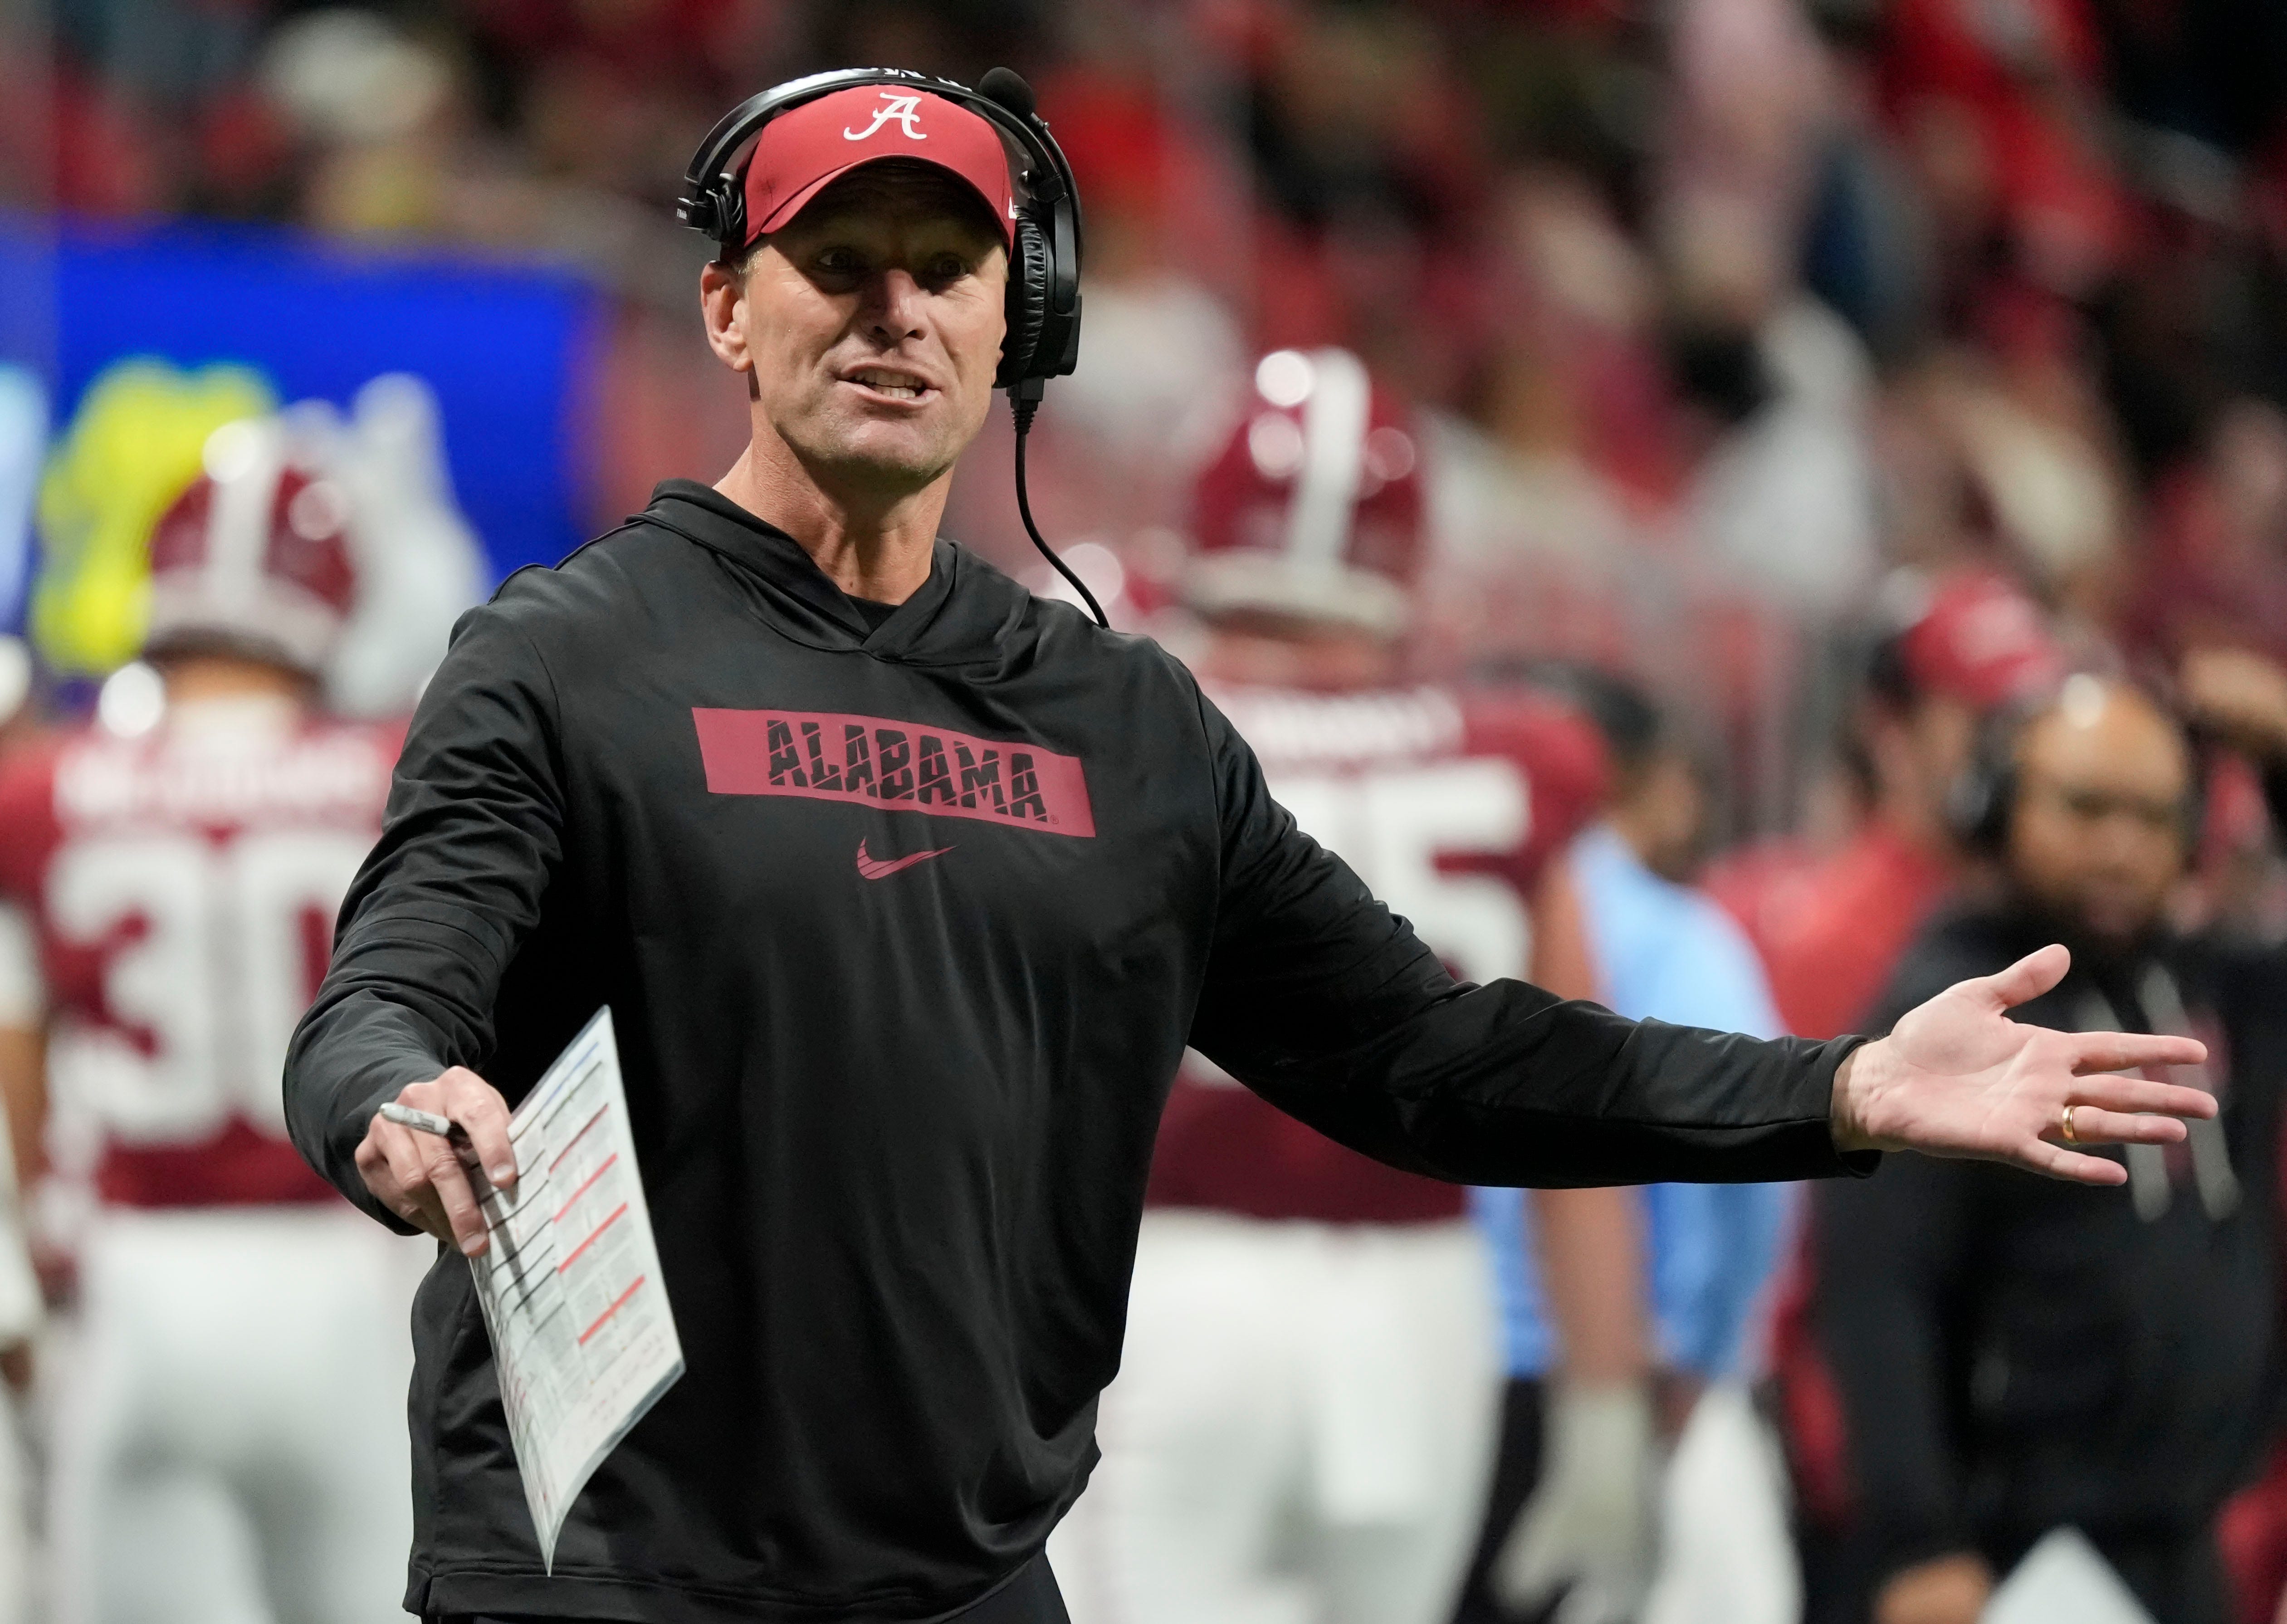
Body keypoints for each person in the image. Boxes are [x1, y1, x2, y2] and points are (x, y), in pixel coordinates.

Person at [283, 68, 2215, 1624]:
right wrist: (396, 1094)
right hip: (612, 1580)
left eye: (942, 269)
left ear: (1009, 321)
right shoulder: (564, 654)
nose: (892, 310)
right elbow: (390, 982)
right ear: (726, 299)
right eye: (834, 258)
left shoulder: (1120, 726)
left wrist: (1845, 1088)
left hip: (965, 1577)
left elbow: (1433, 1058)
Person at [1048, 347, 1642, 1624]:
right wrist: (1604, 1399)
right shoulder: (1505, 750)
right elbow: (1577, 1102)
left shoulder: (1111, 712)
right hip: (1425, 1308)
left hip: (1175, 1284)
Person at [0, 416, 425, 1624]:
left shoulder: (42, 791)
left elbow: (14, 1068)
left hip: (134, 1283)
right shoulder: (394, 772)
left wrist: (33, 1259)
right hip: (349, 1278)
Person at [1801, 670, 2287, 1624]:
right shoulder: (1954, 1005)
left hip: (2181, 1539)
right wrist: (1918, 1540)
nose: (2120, 845)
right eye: (2084, 806)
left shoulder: (2211, 987)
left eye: (2154, 816)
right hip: (2005, 1554)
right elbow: (1875, 1292)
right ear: (1992, 808)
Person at [1459, 672, 1797, 1624]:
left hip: (1426, 1347)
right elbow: (1751, 1166)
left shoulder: (1393, 901)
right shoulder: (1674, 931)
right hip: (1603, 1373)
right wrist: (1702, 1350)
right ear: (1637, 778)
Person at [1708, 565, 2065, 1041]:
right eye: (1990, 719)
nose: (2024, 747)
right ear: (1891, 732)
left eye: (2039, 718)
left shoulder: (2062, 902)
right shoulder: (1839, 942)